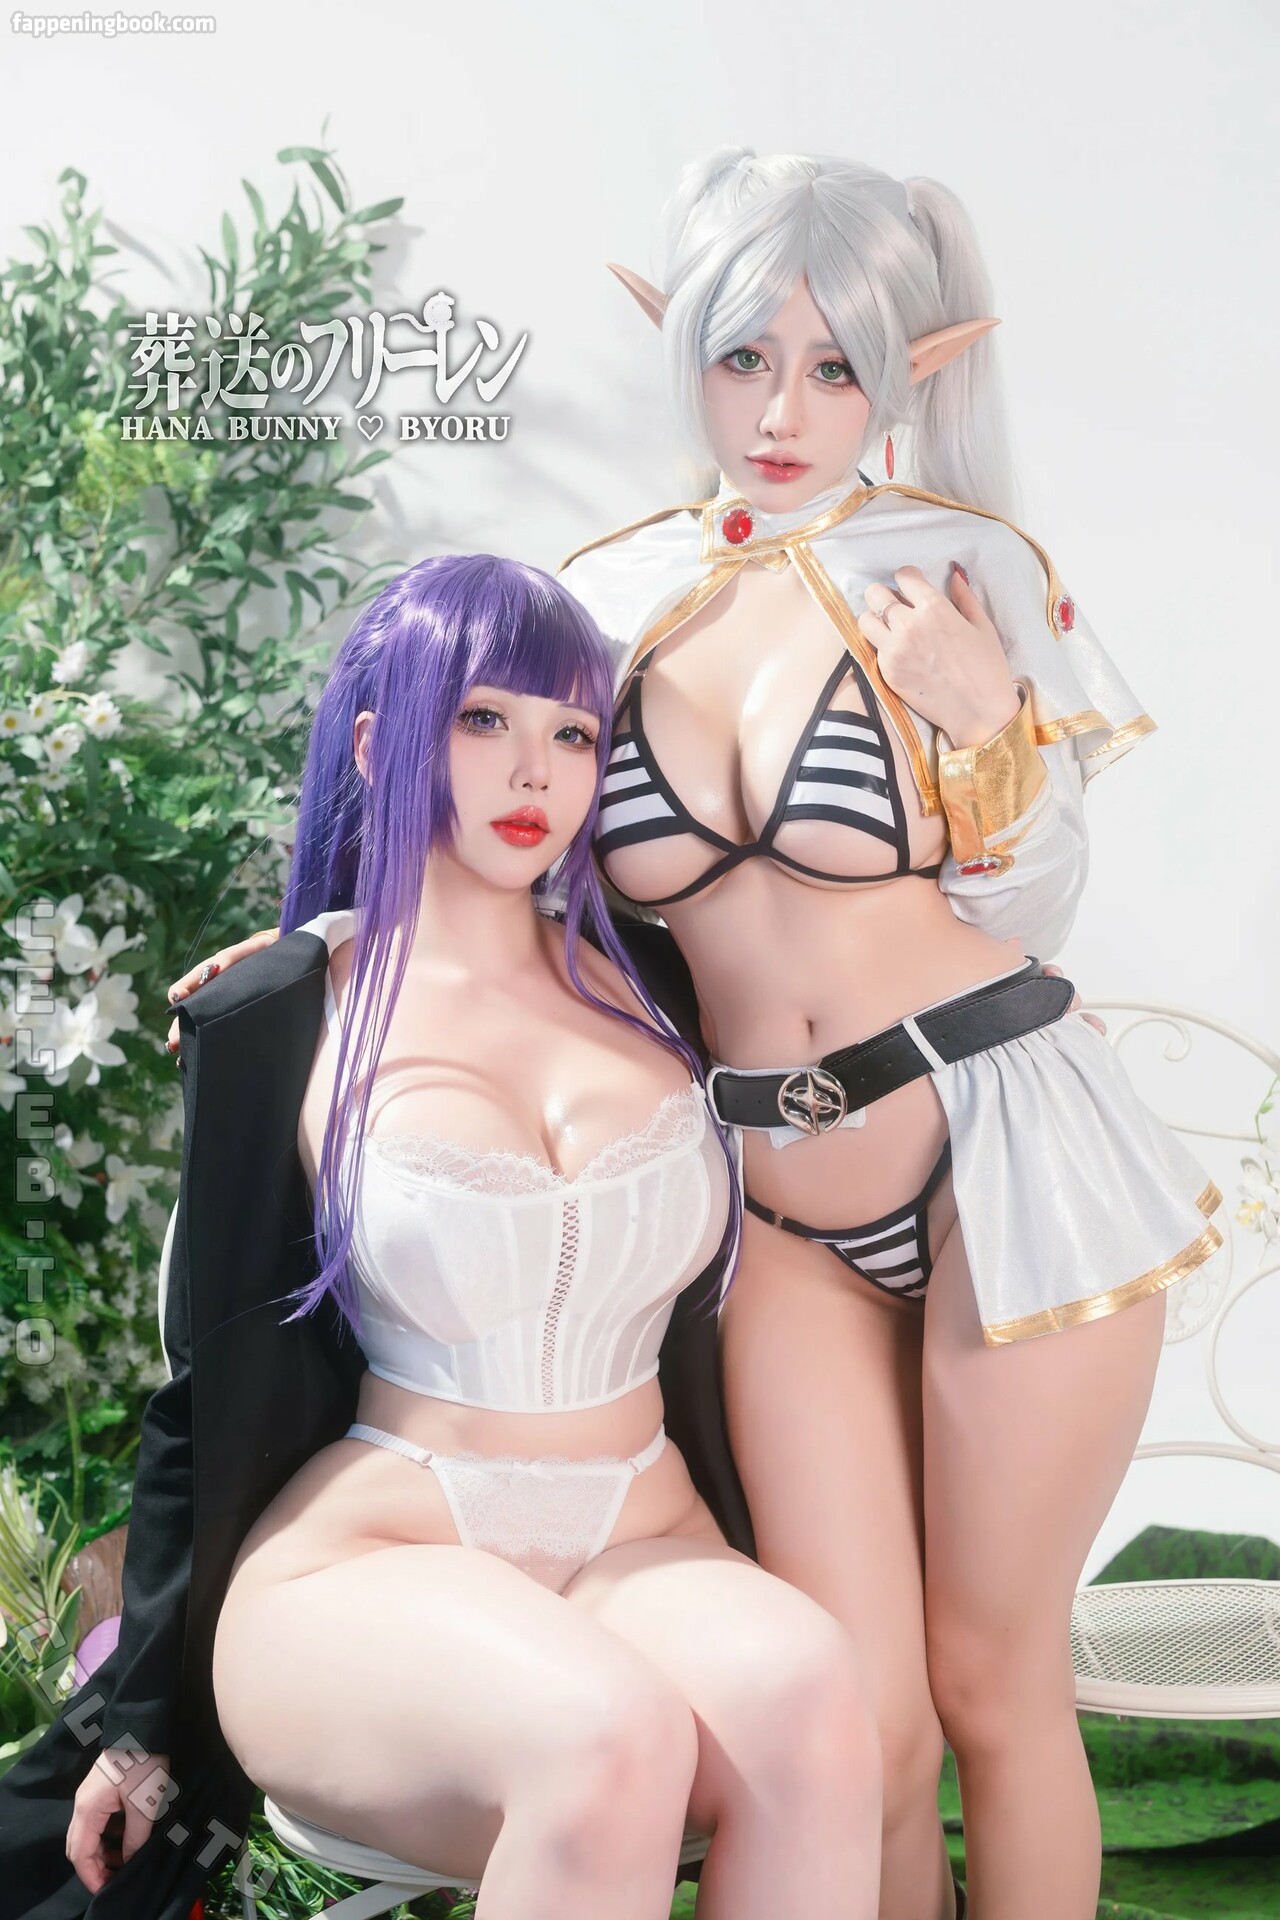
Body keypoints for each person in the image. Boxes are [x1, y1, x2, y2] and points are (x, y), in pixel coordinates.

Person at [167, 152, 1224, 1920]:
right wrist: (335, 944)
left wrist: (988, 730)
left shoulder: (962, 566)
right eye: (744, 359)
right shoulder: (611, 598)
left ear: (913, 372)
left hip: (1001, 1147)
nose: (784, 413)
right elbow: (518, 843)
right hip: (778, 1198)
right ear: (680, 351)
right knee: (867, 1716)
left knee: (991, 1687)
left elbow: (1033, 900)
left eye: (836, 367)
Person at [2, 555, 883, 1920]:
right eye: (483, 720)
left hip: (643, 1529)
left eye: (574, 733)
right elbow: (206, 1382)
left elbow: (877, 968)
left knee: (817, 1703)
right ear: (380, 746)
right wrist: (139, 1717)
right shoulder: (280, 1016)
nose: (535, 771)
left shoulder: (666, 980)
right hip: (375, 1552)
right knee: (604, 1734)